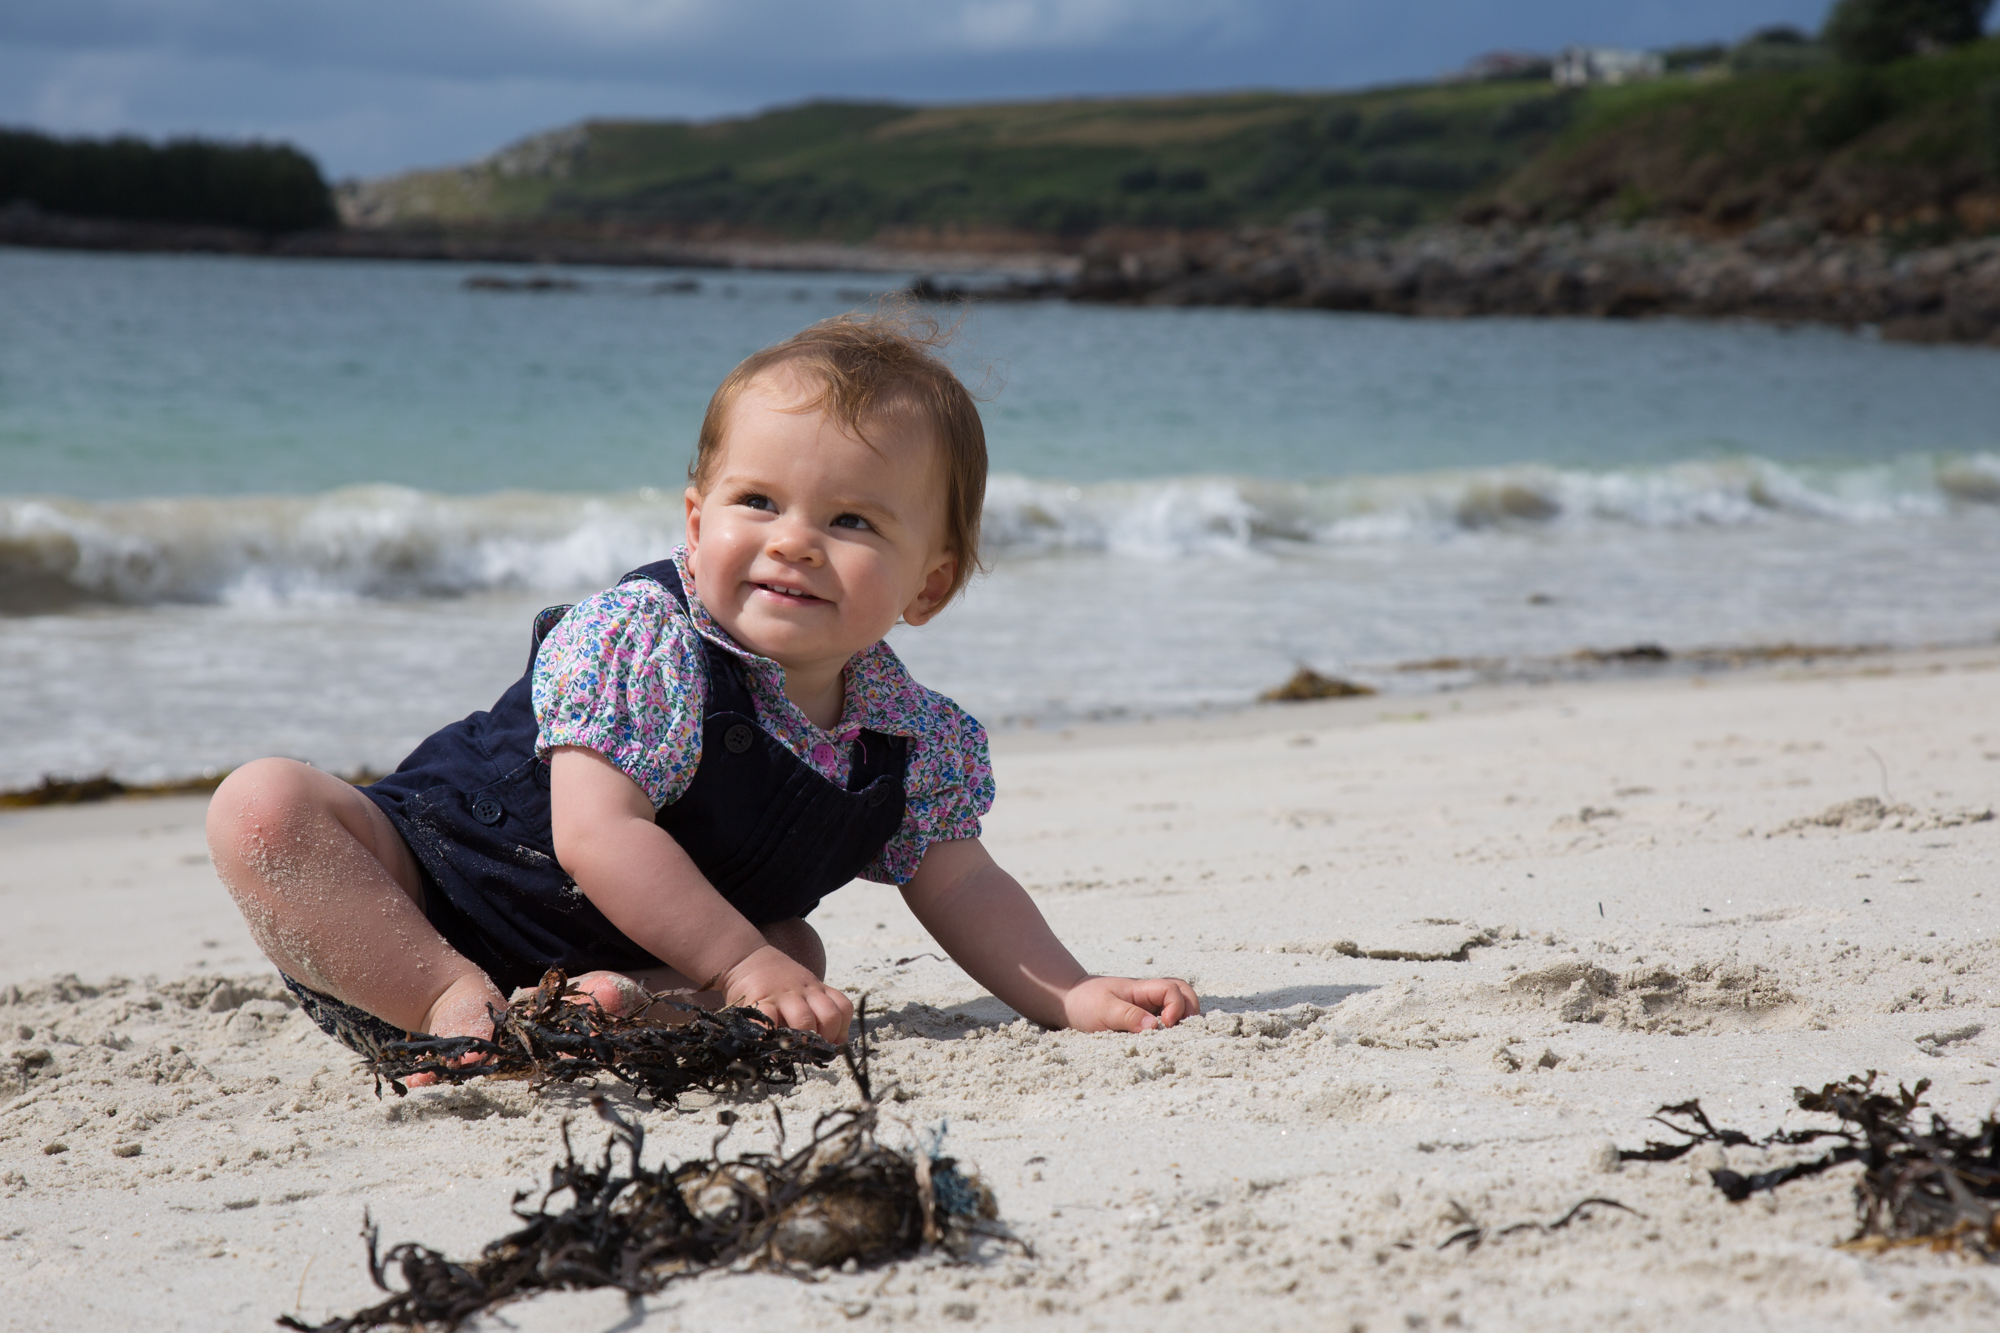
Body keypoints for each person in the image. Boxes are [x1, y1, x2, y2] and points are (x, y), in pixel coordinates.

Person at [207, 312, 1199, 1059]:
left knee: (793, 950)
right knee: (266, 804)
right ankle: (449, 1009)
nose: (793, 539)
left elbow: (965, 881)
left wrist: (1066, 991)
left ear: (927, 584)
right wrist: (740, 964)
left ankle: (588, 1012)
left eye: (852, 521)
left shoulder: (907, 739)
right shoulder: (641, 639)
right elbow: (597, 832)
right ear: (694, 523)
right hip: (416, 903)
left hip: (630, 959)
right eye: (757, 501)